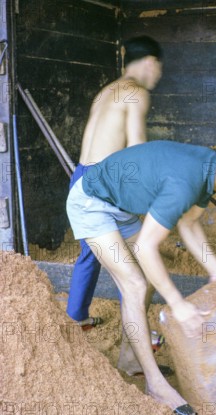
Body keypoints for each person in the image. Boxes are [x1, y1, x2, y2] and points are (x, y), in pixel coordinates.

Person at [66, 135, 216, 415]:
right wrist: (177, 303)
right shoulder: (186, 183)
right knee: (136, 284)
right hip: (90, 202)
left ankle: (130, 358)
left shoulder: (209, 168)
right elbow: (145, 246)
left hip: (120, 207)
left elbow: (189, 223)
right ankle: (156, 385)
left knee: (152, 273)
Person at [66, 35, 163, 335]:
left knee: (92, 251)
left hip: (81, 178)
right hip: (105, 185)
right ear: (149, 62)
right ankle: (136, 334)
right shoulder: (136, 92)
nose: (159, 74)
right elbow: (136, 152)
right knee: (136, 265)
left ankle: (76, 317)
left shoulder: (106, 91)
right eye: (159, 67)